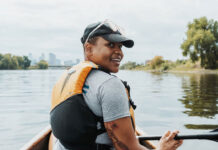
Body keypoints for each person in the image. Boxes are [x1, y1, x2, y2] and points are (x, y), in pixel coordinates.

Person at [50, 19, 183, 150]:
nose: (119, 52)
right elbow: (126, 148)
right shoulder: (109, 85)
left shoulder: (67, 76)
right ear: (89, 49)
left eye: (120, 46)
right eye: (111, 45)